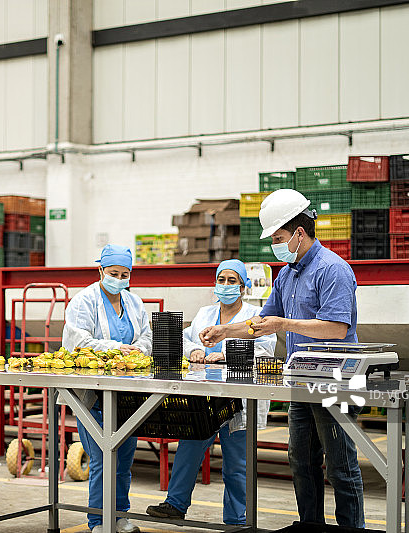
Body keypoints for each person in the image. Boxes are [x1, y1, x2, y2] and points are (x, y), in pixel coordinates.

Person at [198, 189, 364, 528]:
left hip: (337, 380)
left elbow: (335, 328)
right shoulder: (287, 274)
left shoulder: (333, 269)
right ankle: (311, 525)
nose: (275, 244)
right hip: (303, 378)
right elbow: (261, 324)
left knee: (340, 464)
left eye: (279, 237)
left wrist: (284, 324)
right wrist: (224, 332)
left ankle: (352, 527)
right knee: (301, 459)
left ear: (299, 233)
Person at [145, 259, 276, 525]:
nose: (225, 286)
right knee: (188, 448)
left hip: (238, 398)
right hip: (204, 397)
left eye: (232, 281)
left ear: (243, 287)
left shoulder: (257, 315)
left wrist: (223, 353)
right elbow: (185, 338)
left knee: (237, 464)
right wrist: (195, 351)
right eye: (221, 280)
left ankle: (237, 520)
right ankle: (175, 504)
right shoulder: (205, 313)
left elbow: (265, 350)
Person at [62, 244, 152, 533]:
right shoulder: (84, 301)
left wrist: (136, 349)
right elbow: (78, 341)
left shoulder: (134, 302)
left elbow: (147, 337)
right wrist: (116, 349)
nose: (120, 279)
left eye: (125, 274)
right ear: (100, 270)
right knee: (101, 460)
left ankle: (120, 516)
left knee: (124, 460)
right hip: (94, 396)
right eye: (113, 273)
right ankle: (98, 521)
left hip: (128, 394)